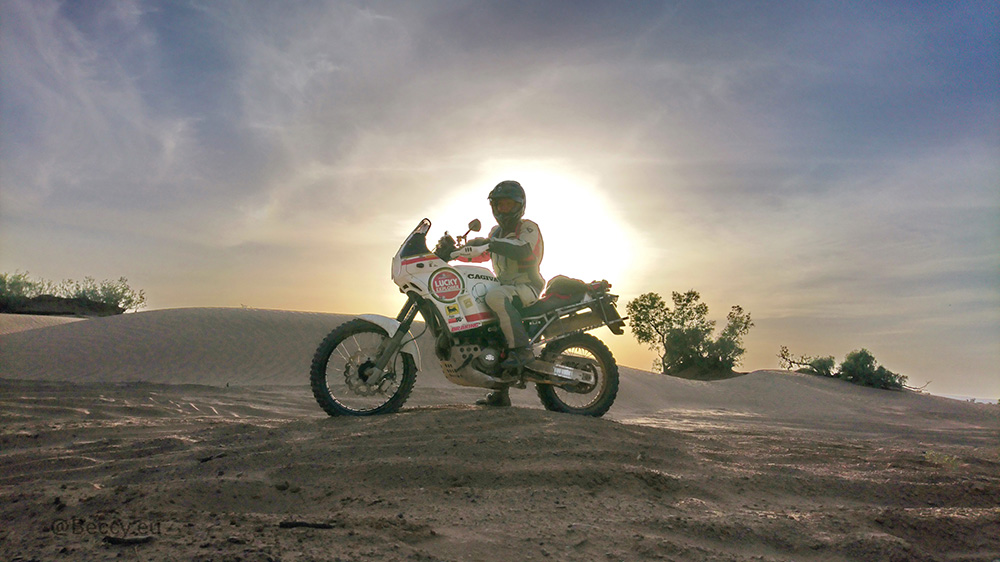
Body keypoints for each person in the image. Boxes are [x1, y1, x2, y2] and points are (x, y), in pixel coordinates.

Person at [456, 180, 544, 407]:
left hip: (526, 287)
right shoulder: (495, 232)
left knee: (494, 298)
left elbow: (522, 249)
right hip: (504, 286)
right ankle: (499, 390)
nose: (503, 209)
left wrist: (490, 243)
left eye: (508, 205)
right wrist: (453, 252)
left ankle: (522, 351)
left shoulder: (528, 228)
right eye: (499, 205)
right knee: (488, 326)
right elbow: (481, 254)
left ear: (519, 206)